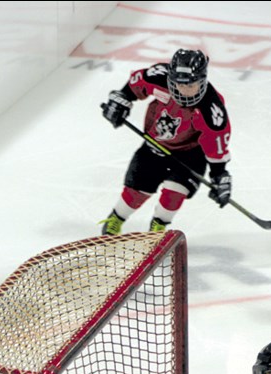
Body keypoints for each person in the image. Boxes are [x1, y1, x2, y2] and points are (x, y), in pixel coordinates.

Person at [99, 48, 233, 235]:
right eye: (180, 84)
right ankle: (115, 219)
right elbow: (135, 84)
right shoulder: (158, 76)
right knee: (137, 190)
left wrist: (220, 175)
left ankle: (158, 227)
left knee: (175, 193)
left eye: (191, 85)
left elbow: (216, 145)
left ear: (202, 80)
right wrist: (121, 99)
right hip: (154, 144)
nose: (185, 90)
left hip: (190, 153)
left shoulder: (212, 109)